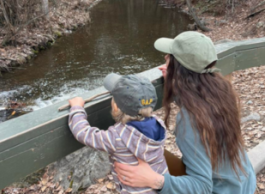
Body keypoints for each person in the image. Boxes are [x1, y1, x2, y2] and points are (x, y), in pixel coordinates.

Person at [114, 31, 256, 194]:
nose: (162, 66)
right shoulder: (221, 91)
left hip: (223, 190)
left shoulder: (190, 119)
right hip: (243, 185)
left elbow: (202, 187)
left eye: (167, 61)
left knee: (141, 155)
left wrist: (154, 180)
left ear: (179, 71)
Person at [68, 73, 168, 194]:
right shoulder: (159, 124)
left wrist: (77, 108)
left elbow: (83, 134)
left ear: (115, 107)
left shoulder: (117, 136)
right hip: (161, 187)